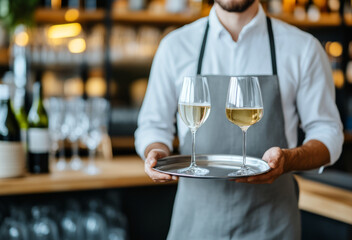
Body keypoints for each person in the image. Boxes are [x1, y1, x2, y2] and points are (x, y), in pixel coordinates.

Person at [134, 0, 344, 239]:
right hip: (195, 225)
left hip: (272, 226)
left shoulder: (303, 48)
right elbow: (152, 126)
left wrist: (289, 160)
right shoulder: (175, 46)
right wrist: (155, 151)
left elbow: (328, 133)